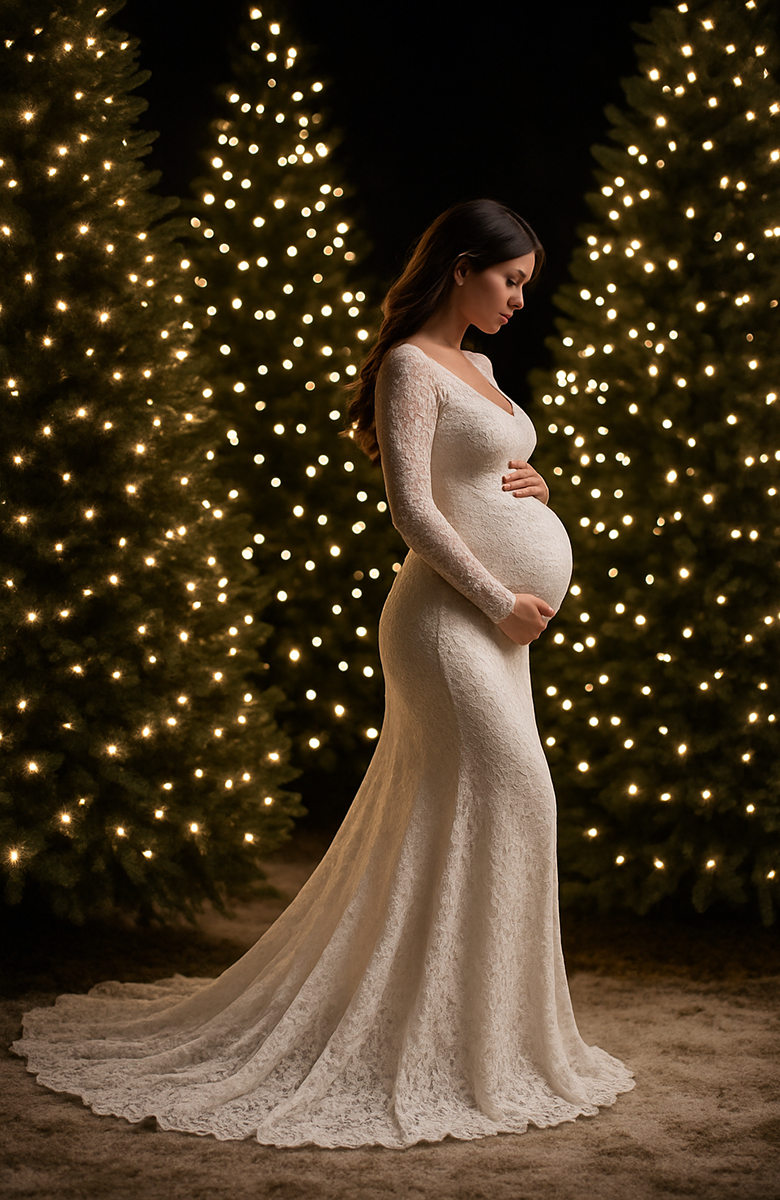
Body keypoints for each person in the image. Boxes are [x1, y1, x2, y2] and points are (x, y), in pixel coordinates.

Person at [12, 199, 634, 1148]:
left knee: (471, 810)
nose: (518, 300)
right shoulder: (407, 367)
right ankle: (438, 1032)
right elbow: (416, 512)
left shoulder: (484, 367)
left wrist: (533, 481)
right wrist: (498, 599)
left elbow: (486, 471)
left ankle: (482, 1034)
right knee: (521, 793)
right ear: (463, 266)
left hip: (505, 632)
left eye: (524, 287)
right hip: (445, 622)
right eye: (510, 281)